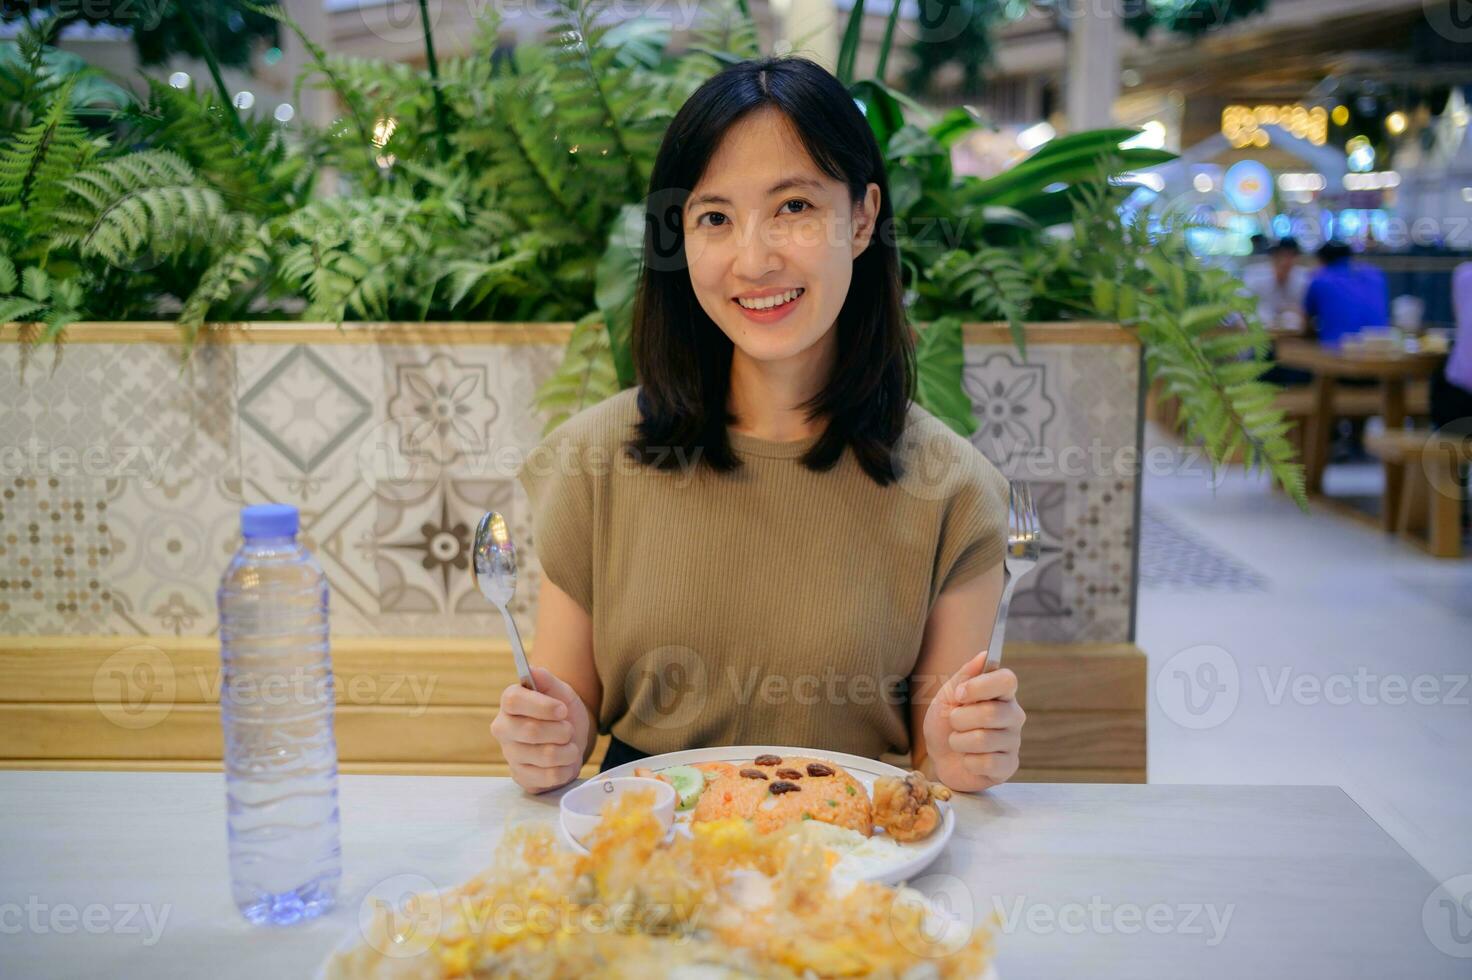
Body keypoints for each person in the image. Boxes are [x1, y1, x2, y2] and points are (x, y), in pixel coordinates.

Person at [490, 57, 1024, 796]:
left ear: (863, 218)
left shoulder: (956, 490)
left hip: (851, 863)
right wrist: (546, 737)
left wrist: (967, 750)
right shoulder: (594, 461)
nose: (754, 258)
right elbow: (569, 708)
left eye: (794, 207)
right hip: (650, 857)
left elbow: (941, 753)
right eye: (715, 218)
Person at [1303, 240, 1390, 346]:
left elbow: (1306, 320)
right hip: (1383, 348)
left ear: (1322, 261)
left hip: (1339, 351)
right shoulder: (1376, 275)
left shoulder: (1321, 279)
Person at [1244, 237, 1310, 332]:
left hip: (1291, 334)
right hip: (1258, 331)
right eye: (1282, 255)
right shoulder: (1255, 275)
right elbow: (1242, 305)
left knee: (1291, 318)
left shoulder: (1303, 278)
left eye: (1291, 256)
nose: (1286, 261)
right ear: (1274, 257)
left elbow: (1307, 311)